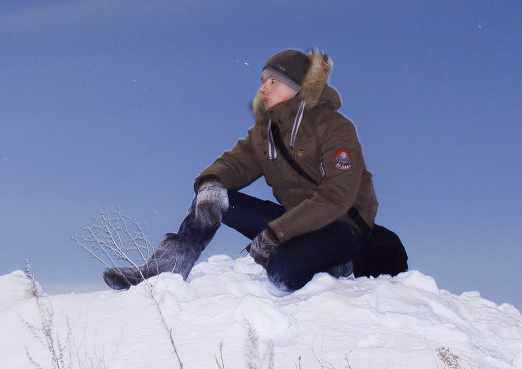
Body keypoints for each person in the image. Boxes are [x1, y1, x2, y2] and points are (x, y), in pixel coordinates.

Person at [104, 48, 378, 292]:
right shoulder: (266, 131)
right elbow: (235, 163)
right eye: (263, 81)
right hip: (293, 221)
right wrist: (210, 183)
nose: (263, 89)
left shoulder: (335, 127)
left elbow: (336, 197)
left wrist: (275, 234)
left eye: (274, 81)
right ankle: (163, 271)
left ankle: (339, 263)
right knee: (213, 198)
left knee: (282, 273)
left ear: (298, 87)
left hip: (342, 225)